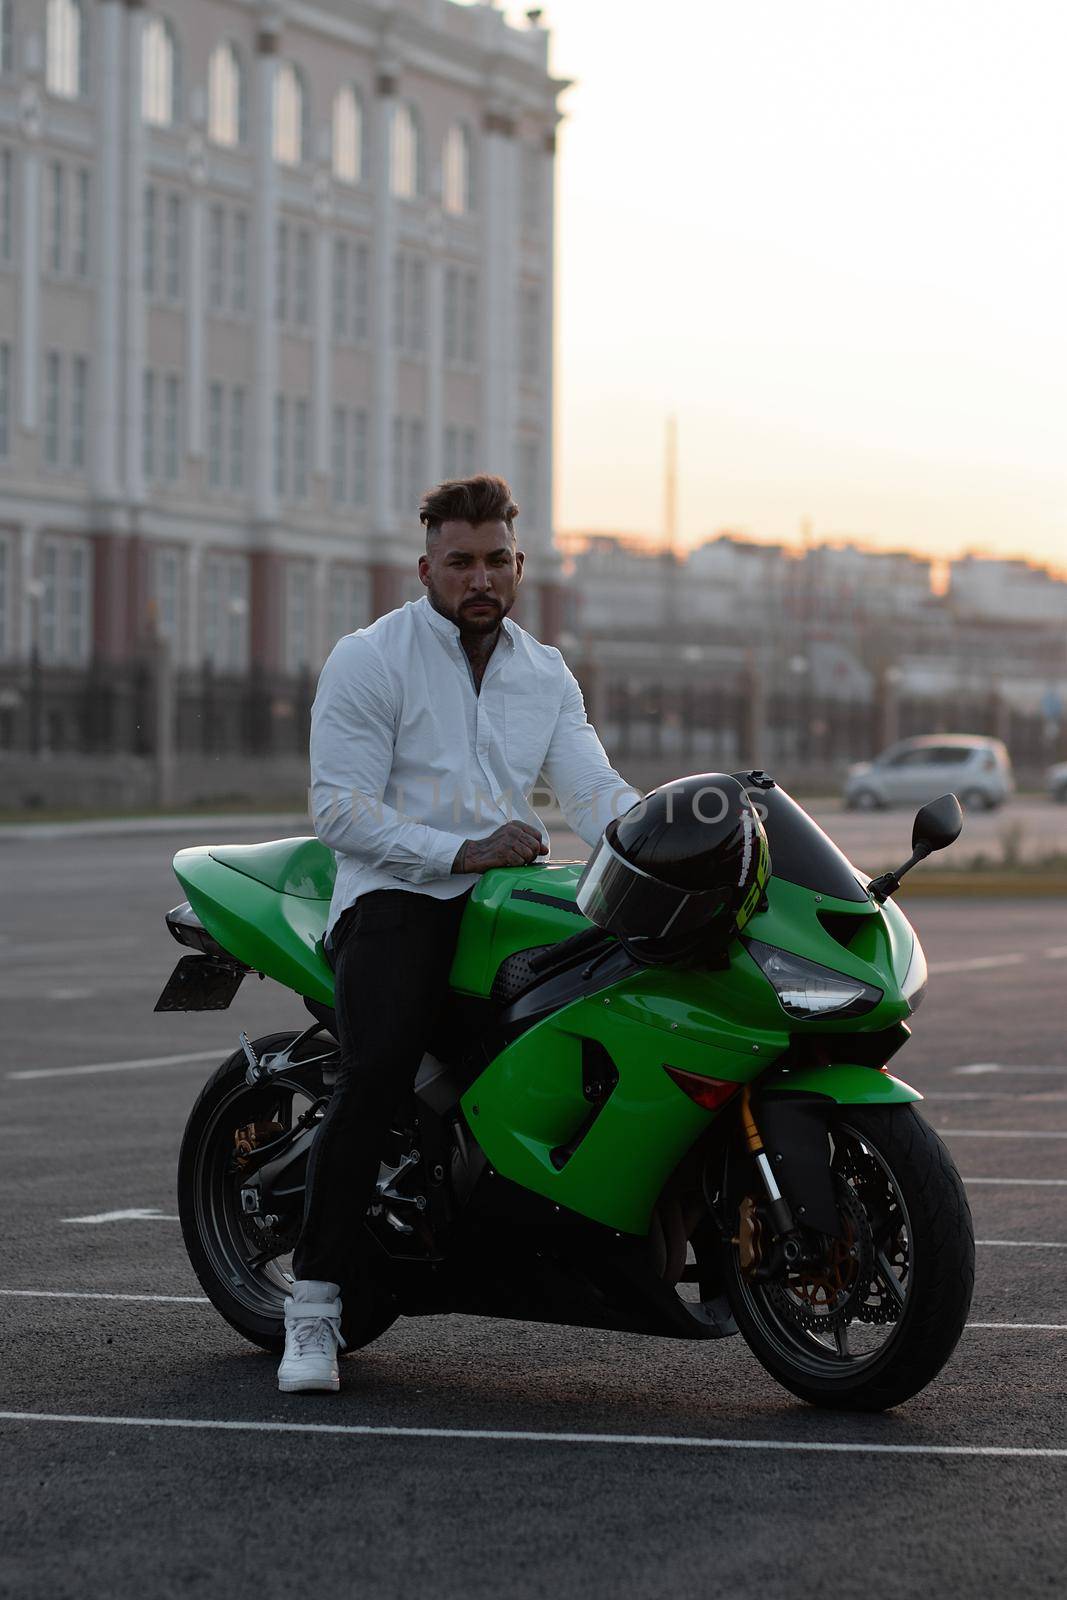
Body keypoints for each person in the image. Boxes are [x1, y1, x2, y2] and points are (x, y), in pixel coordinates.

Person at [277, 473, 641, 1392]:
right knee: (378, 1069)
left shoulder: (543, 671)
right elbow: (339, 810)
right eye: (459, 563)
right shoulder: (372, 657)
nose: (479, 579)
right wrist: (459, 850)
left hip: (504, 896)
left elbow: (594, 792)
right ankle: (314, 1306)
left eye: (495, 561)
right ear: (426, 566)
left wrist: (666, 846)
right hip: (396, 894)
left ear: (518, 562)